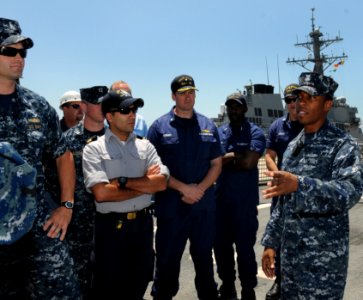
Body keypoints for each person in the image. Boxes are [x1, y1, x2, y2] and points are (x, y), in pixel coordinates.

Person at [261, 72, 363, 299]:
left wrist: (300, 184)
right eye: (298, 97)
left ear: (327, 104)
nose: (301, 103)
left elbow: (350, 191)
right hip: (291, 263)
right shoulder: (292, 147)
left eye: (310, 97)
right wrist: (270, 243)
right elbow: (282, 202)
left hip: (323, 265)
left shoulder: (342, 144)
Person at [0, 18, 80, 298]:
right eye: (10, 51)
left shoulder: (37, 106)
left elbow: (62, 154)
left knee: (63, 291)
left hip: (36, 224)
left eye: (23, 52)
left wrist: (66, 205)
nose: (19, 58)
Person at [82, 90, 169, 299]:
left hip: (142, 227)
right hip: (110, 230)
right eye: (125, 110)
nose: (132, 115)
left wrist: (122, 182)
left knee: (138, 285)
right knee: (108, 288)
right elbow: (102, 193)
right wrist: (144, 184)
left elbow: (161, 183)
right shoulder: (93, 149)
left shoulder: (145, 146)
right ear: (109, 117)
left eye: (134, 110)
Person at [147, 74, 223, 300]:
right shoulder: (159, 127)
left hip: (203, 209)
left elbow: (216, 163)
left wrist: (199, 189)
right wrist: (184, 188)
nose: (188, 97)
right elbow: (152, 169)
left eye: (191, 92)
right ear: (173, 96)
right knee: (167, 265)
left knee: (204, 264)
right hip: (172, 210)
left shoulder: (208, 125)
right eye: (182, 93)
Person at [214, 92, 266, 300]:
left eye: (237, 106)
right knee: (221, 248)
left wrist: (228, 158)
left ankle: (248, 289)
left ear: (245, 109)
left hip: (244, 203)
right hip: (221, 203)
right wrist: (236, 154)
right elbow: (215, 160)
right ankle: (227, 286)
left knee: (245, 249)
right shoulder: (220, 132)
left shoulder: (256, 133)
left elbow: (249, 163)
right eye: (230, 106)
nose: (233, 110)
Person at [63, 85, 108, 297]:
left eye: (105, 103)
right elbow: (55, 183)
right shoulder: (67, 140)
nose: (102, 108)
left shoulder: (116, 140)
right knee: (78, 282)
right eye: (97, 103)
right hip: (77, 225)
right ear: (84, 106)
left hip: (109, 222)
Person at [264, 83, 303, 300]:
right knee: (278, 235)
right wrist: (276, 174)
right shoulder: (277, 126)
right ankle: (279, 280)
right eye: (289, 100)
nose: (293, 104)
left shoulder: (311, 124)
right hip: (281, 191)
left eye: (297, 99)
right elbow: (269, 154)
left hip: (305, 190)